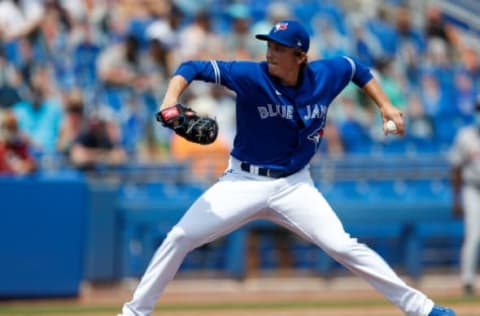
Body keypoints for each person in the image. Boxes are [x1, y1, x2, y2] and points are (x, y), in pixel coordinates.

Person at [119, 20, 455, 316]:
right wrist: (169, 101)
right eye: (269, 45)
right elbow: (192, 66)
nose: (271, 53)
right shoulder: (252, 76)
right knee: (181, 236)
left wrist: (386, 105)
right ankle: (135, 313)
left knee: (342, 246)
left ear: (300, 56)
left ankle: (422, 309)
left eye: (280, 48)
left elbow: (356, 68)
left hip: (295, 186)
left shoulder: (325, 76)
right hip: (243, 181)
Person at [449, 99, 480, 296]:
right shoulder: (466, 136)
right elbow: (456, 168)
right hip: (473, 189)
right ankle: (468, 281)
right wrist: (457, 198)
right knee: (474, 235)